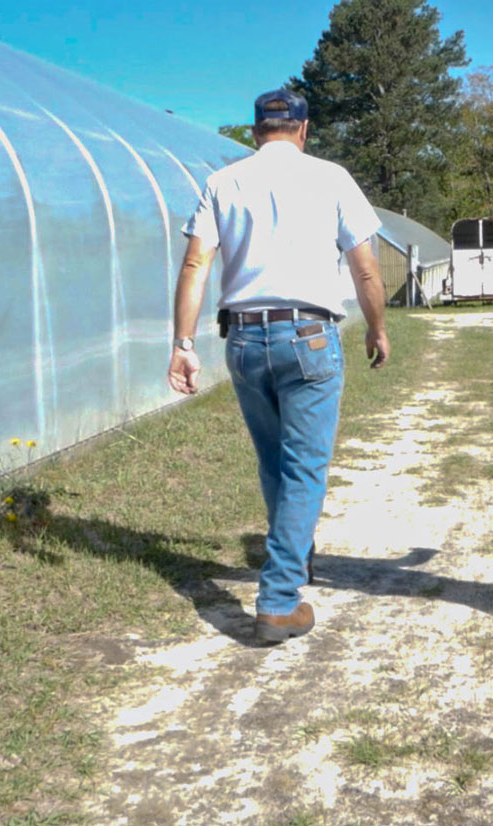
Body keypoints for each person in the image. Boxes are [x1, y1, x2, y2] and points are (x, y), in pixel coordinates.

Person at [167, 88, 390, 644]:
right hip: (309, 335)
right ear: (303, 129)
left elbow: (196, 261)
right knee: (305, 466)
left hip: (242, 339)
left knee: (275, 462)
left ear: (254, 131)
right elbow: (365, 270)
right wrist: (379, 329)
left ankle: (295, 553)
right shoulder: (332, 177)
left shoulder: (223, 182)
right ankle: (279, 599)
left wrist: (182, 343)